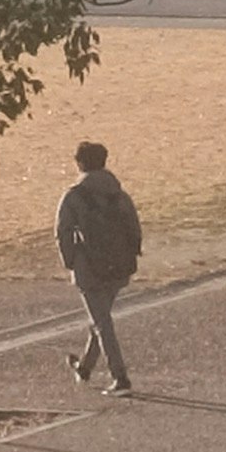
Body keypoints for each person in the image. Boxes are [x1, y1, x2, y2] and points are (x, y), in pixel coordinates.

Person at [56, 138, 142, 393]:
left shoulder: (74, 196)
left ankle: (120, 377)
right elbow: (134, 227)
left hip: (89, 268)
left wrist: (71, 261)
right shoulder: (118, 193)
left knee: (102, 323)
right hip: (119, 266)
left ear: (80, 164)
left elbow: (62, 232)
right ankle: (84, 367)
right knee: (100, 317)